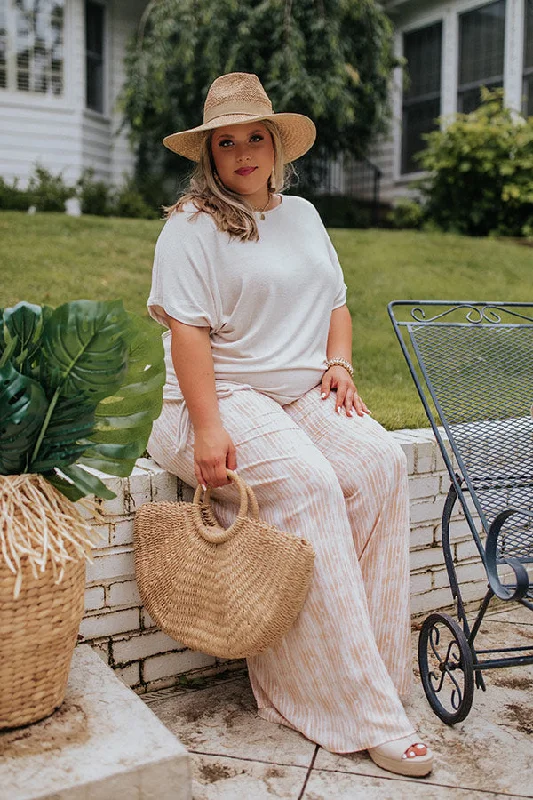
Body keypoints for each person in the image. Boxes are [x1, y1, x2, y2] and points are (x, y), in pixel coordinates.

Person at [146, 71, 434, 777]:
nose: (242, 153)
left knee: (378, 465)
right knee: (308, 484)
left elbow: (336, 302)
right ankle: (349, 710)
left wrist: (340, 364)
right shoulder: (192, 225)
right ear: (209, 155)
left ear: (276, 146)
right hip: (213, 399)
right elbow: (187, 334)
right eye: (226, 142)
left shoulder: (302, 214)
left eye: (254, 137)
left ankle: (372, 681)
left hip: (300, 392)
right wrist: (209, 430)